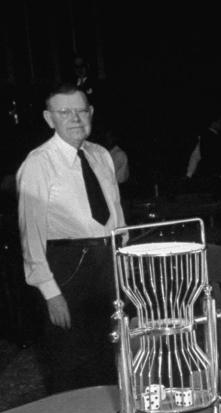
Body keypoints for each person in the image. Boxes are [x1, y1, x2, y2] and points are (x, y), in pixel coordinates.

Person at [16, 83, 124, 394]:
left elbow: (116, 216)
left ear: (91, 114)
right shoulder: (39, 163)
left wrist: (123, 266)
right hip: (67, 269)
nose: (75, 118)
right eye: (65, 112)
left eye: (81, 111)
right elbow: (31, 235)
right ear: (49, 119)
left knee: (110, 356)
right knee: (71, 362)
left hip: (107, 264)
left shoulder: (101, 154)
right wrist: (51, 293)